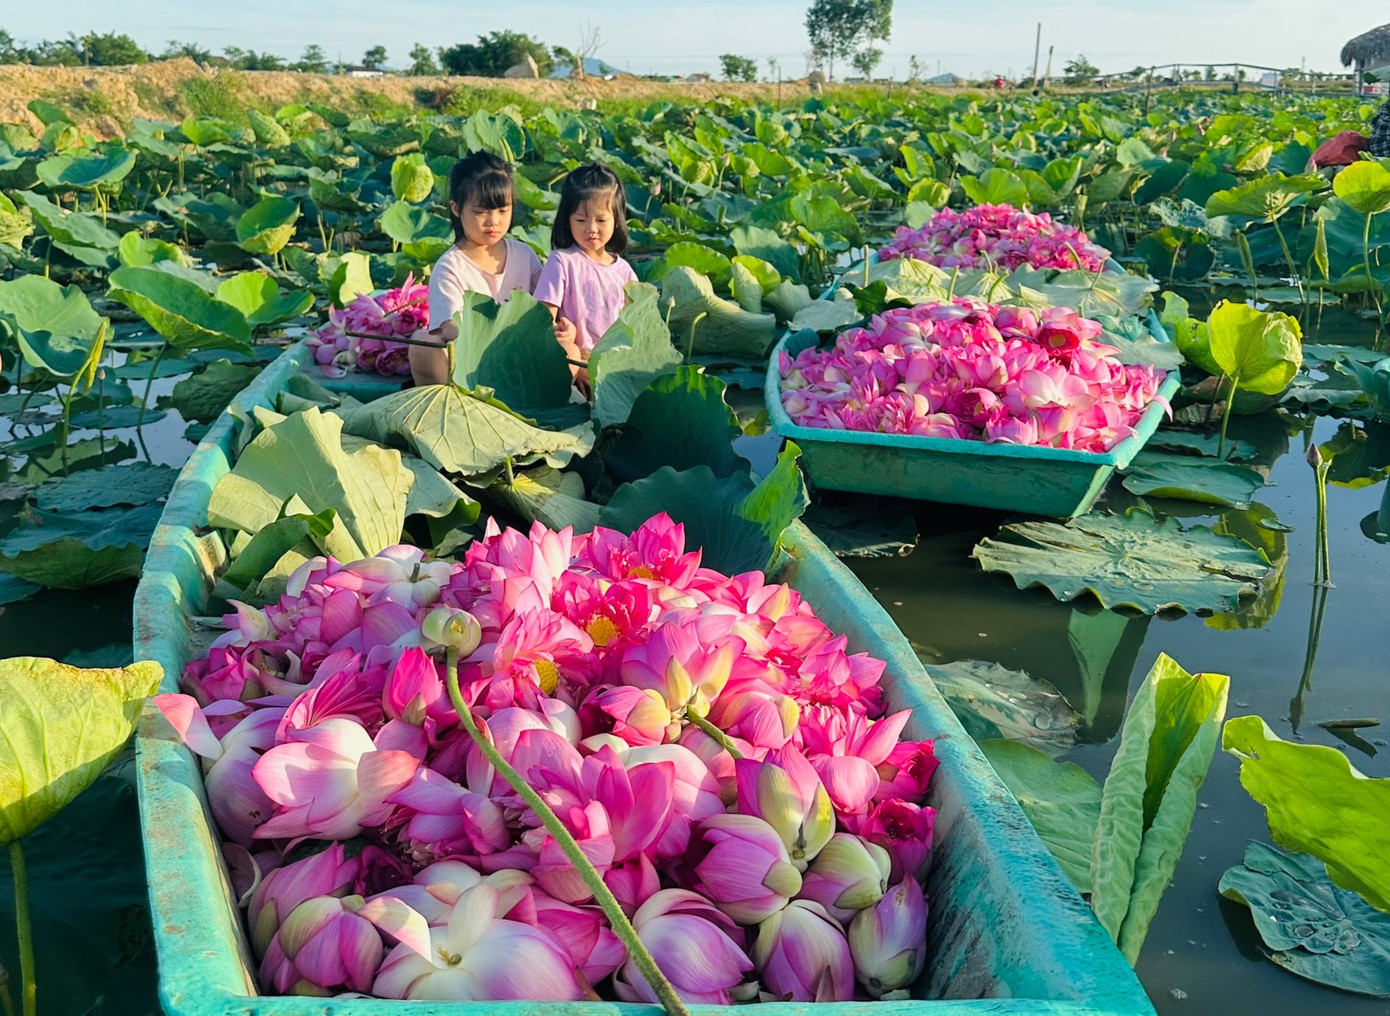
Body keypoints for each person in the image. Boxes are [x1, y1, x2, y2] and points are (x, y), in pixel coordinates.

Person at [409, 150, 558, 386]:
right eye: (480, 212)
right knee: (423, 344)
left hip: (522, 356)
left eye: (503, 210)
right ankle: (447, 408)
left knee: (567, 341)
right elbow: (448, 326)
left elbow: (546, 308)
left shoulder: (524, 255)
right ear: (456, 208)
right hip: (470, 364)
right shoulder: (450, 266)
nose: (494, 222)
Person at [533, 162, 638, 395]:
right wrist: (571, 349)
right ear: (567, 219)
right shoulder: (562, 262)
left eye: (601, 220)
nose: (591, 228)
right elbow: (541, 320)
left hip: (616, 369)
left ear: (617, 219)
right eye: (581, 220)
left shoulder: (626, 273)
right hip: (574, 367)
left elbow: (636, 329)